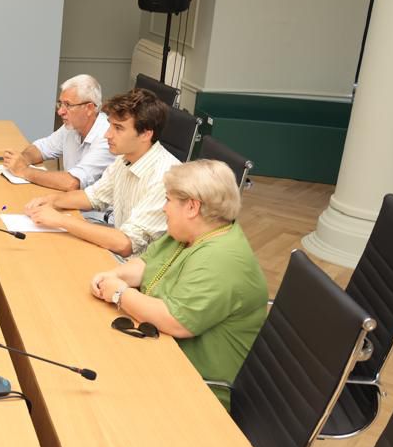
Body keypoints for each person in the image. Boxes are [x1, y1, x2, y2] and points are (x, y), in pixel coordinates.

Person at [88, 160, 268, 409]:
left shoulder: (222, 258)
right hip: (159, 354)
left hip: (194, 387)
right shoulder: (191, 233)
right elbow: (146, 264)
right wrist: (113, 275)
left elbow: (176, 321)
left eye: (168, 200)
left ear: (192, 207)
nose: (164, 208)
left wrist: (119, 293)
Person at [24, 88, 178, 257]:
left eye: (118, 128)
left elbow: (125, 243)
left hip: (140, 272)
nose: (107, 135)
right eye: (110, 125)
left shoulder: (166, 177)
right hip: (121, 255)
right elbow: (94, 197)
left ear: (146, 134)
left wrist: (61, 220)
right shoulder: (125, 158)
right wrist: (50, 201)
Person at [2, 74, 114, 190]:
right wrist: (22, 159)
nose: (60, 112)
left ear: (89, 108)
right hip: (71, 200)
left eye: (68, 105)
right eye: (60, 104)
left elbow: (72, 182)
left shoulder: (108, 137)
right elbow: (42, 148)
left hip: (92, 207)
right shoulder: (71, 127)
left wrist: (24, 170)